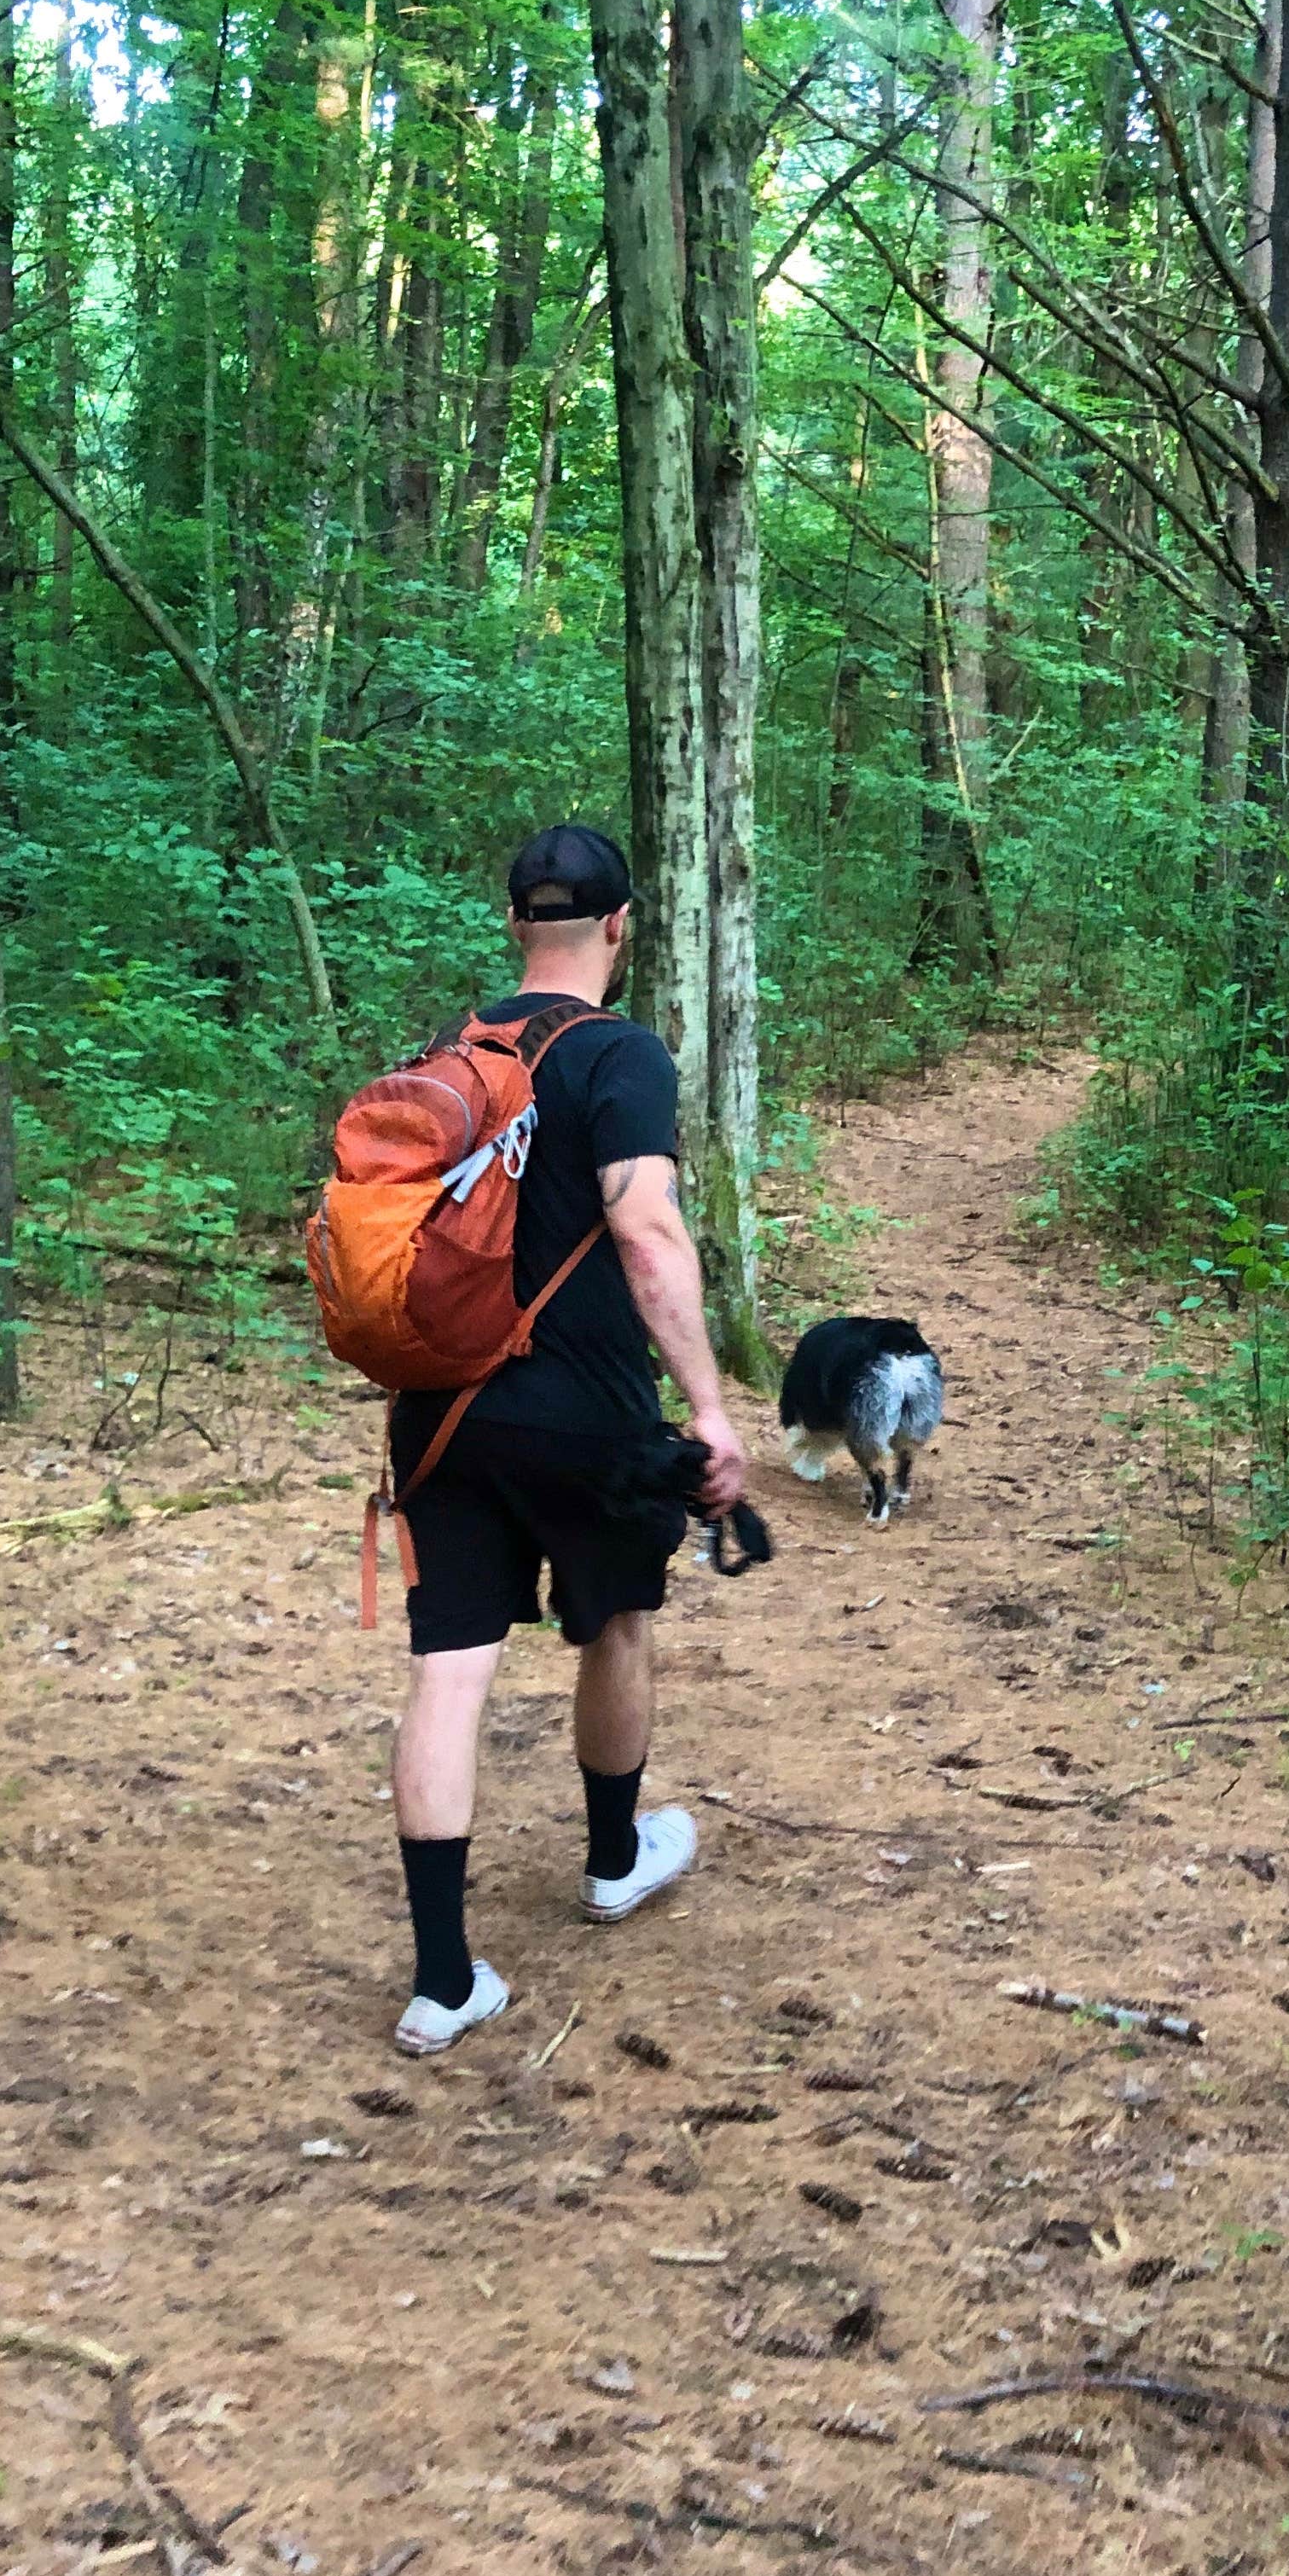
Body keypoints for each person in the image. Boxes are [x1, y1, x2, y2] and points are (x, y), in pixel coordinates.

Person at [384, 823, 747, 2057]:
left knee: (449, 1665)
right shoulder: (621, 1055)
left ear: (511, 925)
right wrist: (706, 1405)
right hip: (585, 1407)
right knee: (617, 1621)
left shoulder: (449, 1050)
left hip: (439, 1412)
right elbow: (644, 1230)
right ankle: (609, 1859)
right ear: (620, 927)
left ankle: (444, 1980)